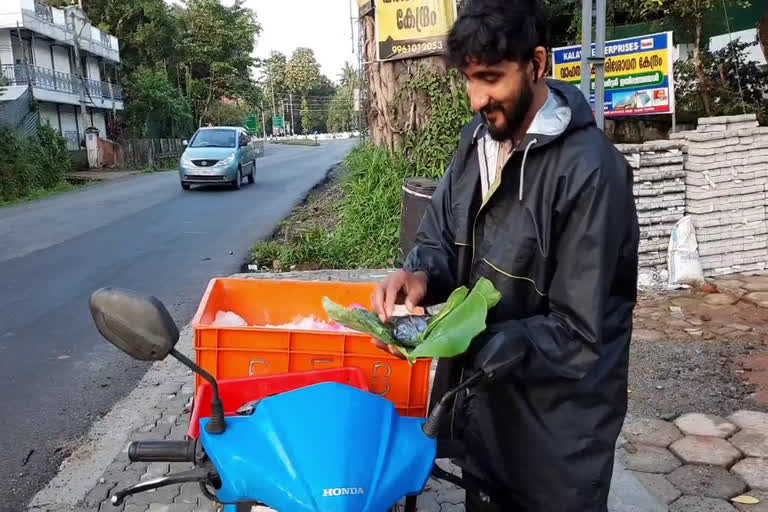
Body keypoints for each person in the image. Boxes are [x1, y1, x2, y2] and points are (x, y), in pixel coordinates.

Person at [371, 0, 639, 510]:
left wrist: (475, 342)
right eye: (469, 80)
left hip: (557, 435)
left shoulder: (593, 174)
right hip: (486, 413)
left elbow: (580, 332)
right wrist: (419, 275)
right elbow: (439, 239)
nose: (476, 98)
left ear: (537, 64)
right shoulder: (477, 142)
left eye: (491, 78)